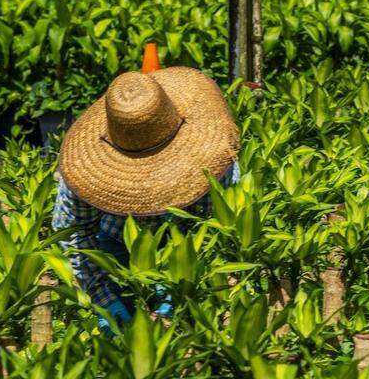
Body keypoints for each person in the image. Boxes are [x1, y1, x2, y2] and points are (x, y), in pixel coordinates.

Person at [52, 45, 240, 333]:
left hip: (184, 249)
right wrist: (106, 299)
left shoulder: (215, 166)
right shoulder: (80, 175)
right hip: (116, 245)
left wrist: (175, 299)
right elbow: (74, 235)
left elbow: (213, 235)